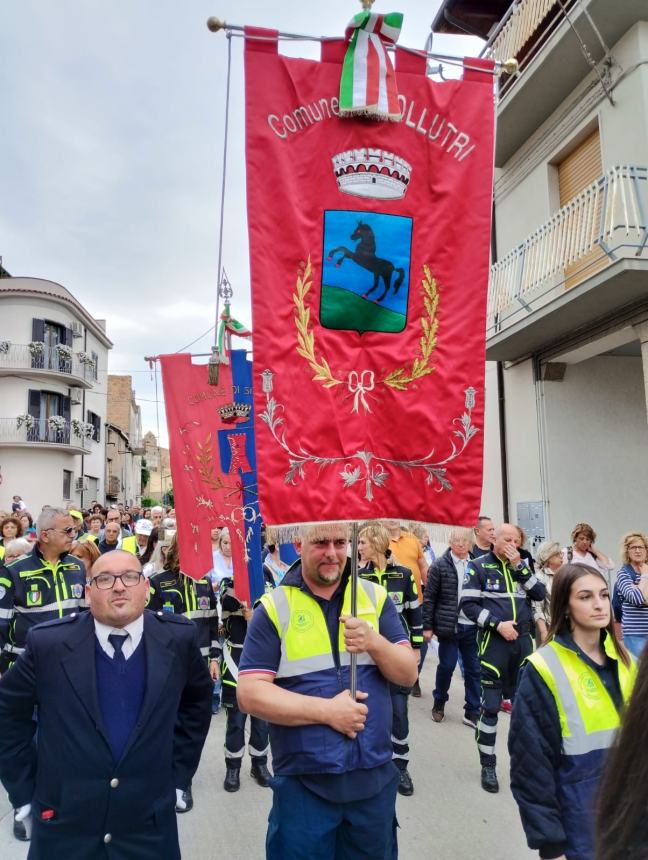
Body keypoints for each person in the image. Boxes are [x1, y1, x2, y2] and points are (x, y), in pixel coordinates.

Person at [0, 549, 213, 858]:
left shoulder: (178, 639)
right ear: (87, 592)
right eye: (104, 579)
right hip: (66, 827)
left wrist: (179, 776)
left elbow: (197, 703)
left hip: (148, 827)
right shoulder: (48, 644)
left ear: (146, 587)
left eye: (130, 576)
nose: (118, 586)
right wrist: (24, 789)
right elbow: (7, 714)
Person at [237, 522, 419, 860]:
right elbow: (249, 694)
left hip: (373, 782)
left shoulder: (373, 598)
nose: (332, 553)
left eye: (339, 542)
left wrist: (374, 642)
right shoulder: (275, 607)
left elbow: (408, 674)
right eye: (321, 542)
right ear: (298, 542)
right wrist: (327, 712)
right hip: (304, 786)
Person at [509, 564, 635, 860]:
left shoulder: (628, 662)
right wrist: (551, 846)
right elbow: (531, 766)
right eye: (586, 597)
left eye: (604, 595)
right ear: (565, 606)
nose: (599, 604)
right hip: (581, 825)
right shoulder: (543, 669)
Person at [0, 506, 87, 841]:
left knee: (60, 741)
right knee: (19, 741)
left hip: (68, 674)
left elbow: (85, 620)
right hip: (22, 673)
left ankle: (53, 802)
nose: (73, 536)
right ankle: (23, 802)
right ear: (45, 534)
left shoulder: (77, 568)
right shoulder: (14, 572)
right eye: (67, 531)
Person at [459, 522, 546, 793]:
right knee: (492, 707)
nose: (511, 544)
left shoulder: (521, 564)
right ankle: (488, 764)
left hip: (522, 646)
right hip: (493, 645)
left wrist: (520, 565)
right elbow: (468, 605)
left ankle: (526, 766)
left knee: (524, 710)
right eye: (506, 538)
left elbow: (540, 593)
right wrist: (498, 625)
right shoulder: (478, 565)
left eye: (516, 540)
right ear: (494, 538)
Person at [148, 535, 220, 811]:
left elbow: (213, 622)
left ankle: (183, 781)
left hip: (200, 667)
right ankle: (165, 777)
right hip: (168, 667)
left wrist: (215, 657)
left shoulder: (204, 582)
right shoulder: (158, 582)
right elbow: (150, 626)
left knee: (193, 727)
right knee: (167, 724)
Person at [358, 522, 422, 796]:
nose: (358, 547)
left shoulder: (404, 575)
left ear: (377, 542)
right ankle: (372, 761)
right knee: (369, 710)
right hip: (367, 657)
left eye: (362, 542)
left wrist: (416, 648)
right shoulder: (359, 578)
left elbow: (415, 614)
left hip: (397, 654)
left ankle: (401, 764)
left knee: (399, 711)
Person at [218, 575, 272, 793]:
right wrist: (245, 605)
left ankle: (259, 765)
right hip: (236, 659)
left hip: (261, 659)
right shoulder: (229, 584)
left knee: (261, 722)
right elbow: (226, 605)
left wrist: (256, 614)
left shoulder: (266, 580)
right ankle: (233, 767)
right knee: (236, 721)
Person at [423, 526, 481, 729]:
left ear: (470, 543)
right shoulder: (440, 565)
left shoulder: (476, 565)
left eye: (464, 540)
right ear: (450, 542)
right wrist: (427, 627)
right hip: (449, 626)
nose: (461, 544)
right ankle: (439, 702)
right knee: (446, 666)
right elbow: (429, 598)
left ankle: (472, 710)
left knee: (474, 669)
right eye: (456, 540)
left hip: (472, 626)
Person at [614, 531, 648, 660]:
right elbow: (636, 598)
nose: (638, 551)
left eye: (641, 547)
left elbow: (638, 597)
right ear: (627, 551)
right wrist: (644, 575)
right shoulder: (624, 574)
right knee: (641, 673)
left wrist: (638, 588)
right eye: (634, 547)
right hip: (635, 635)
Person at [533, 540, 562, 645]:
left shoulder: (565, 574)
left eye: (560, 553)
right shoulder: (539, 578)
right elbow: (537, 608)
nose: (561, 556)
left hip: (567, 628)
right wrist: (543, 631)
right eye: (557, 554)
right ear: (548, 557)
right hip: (548, 629)